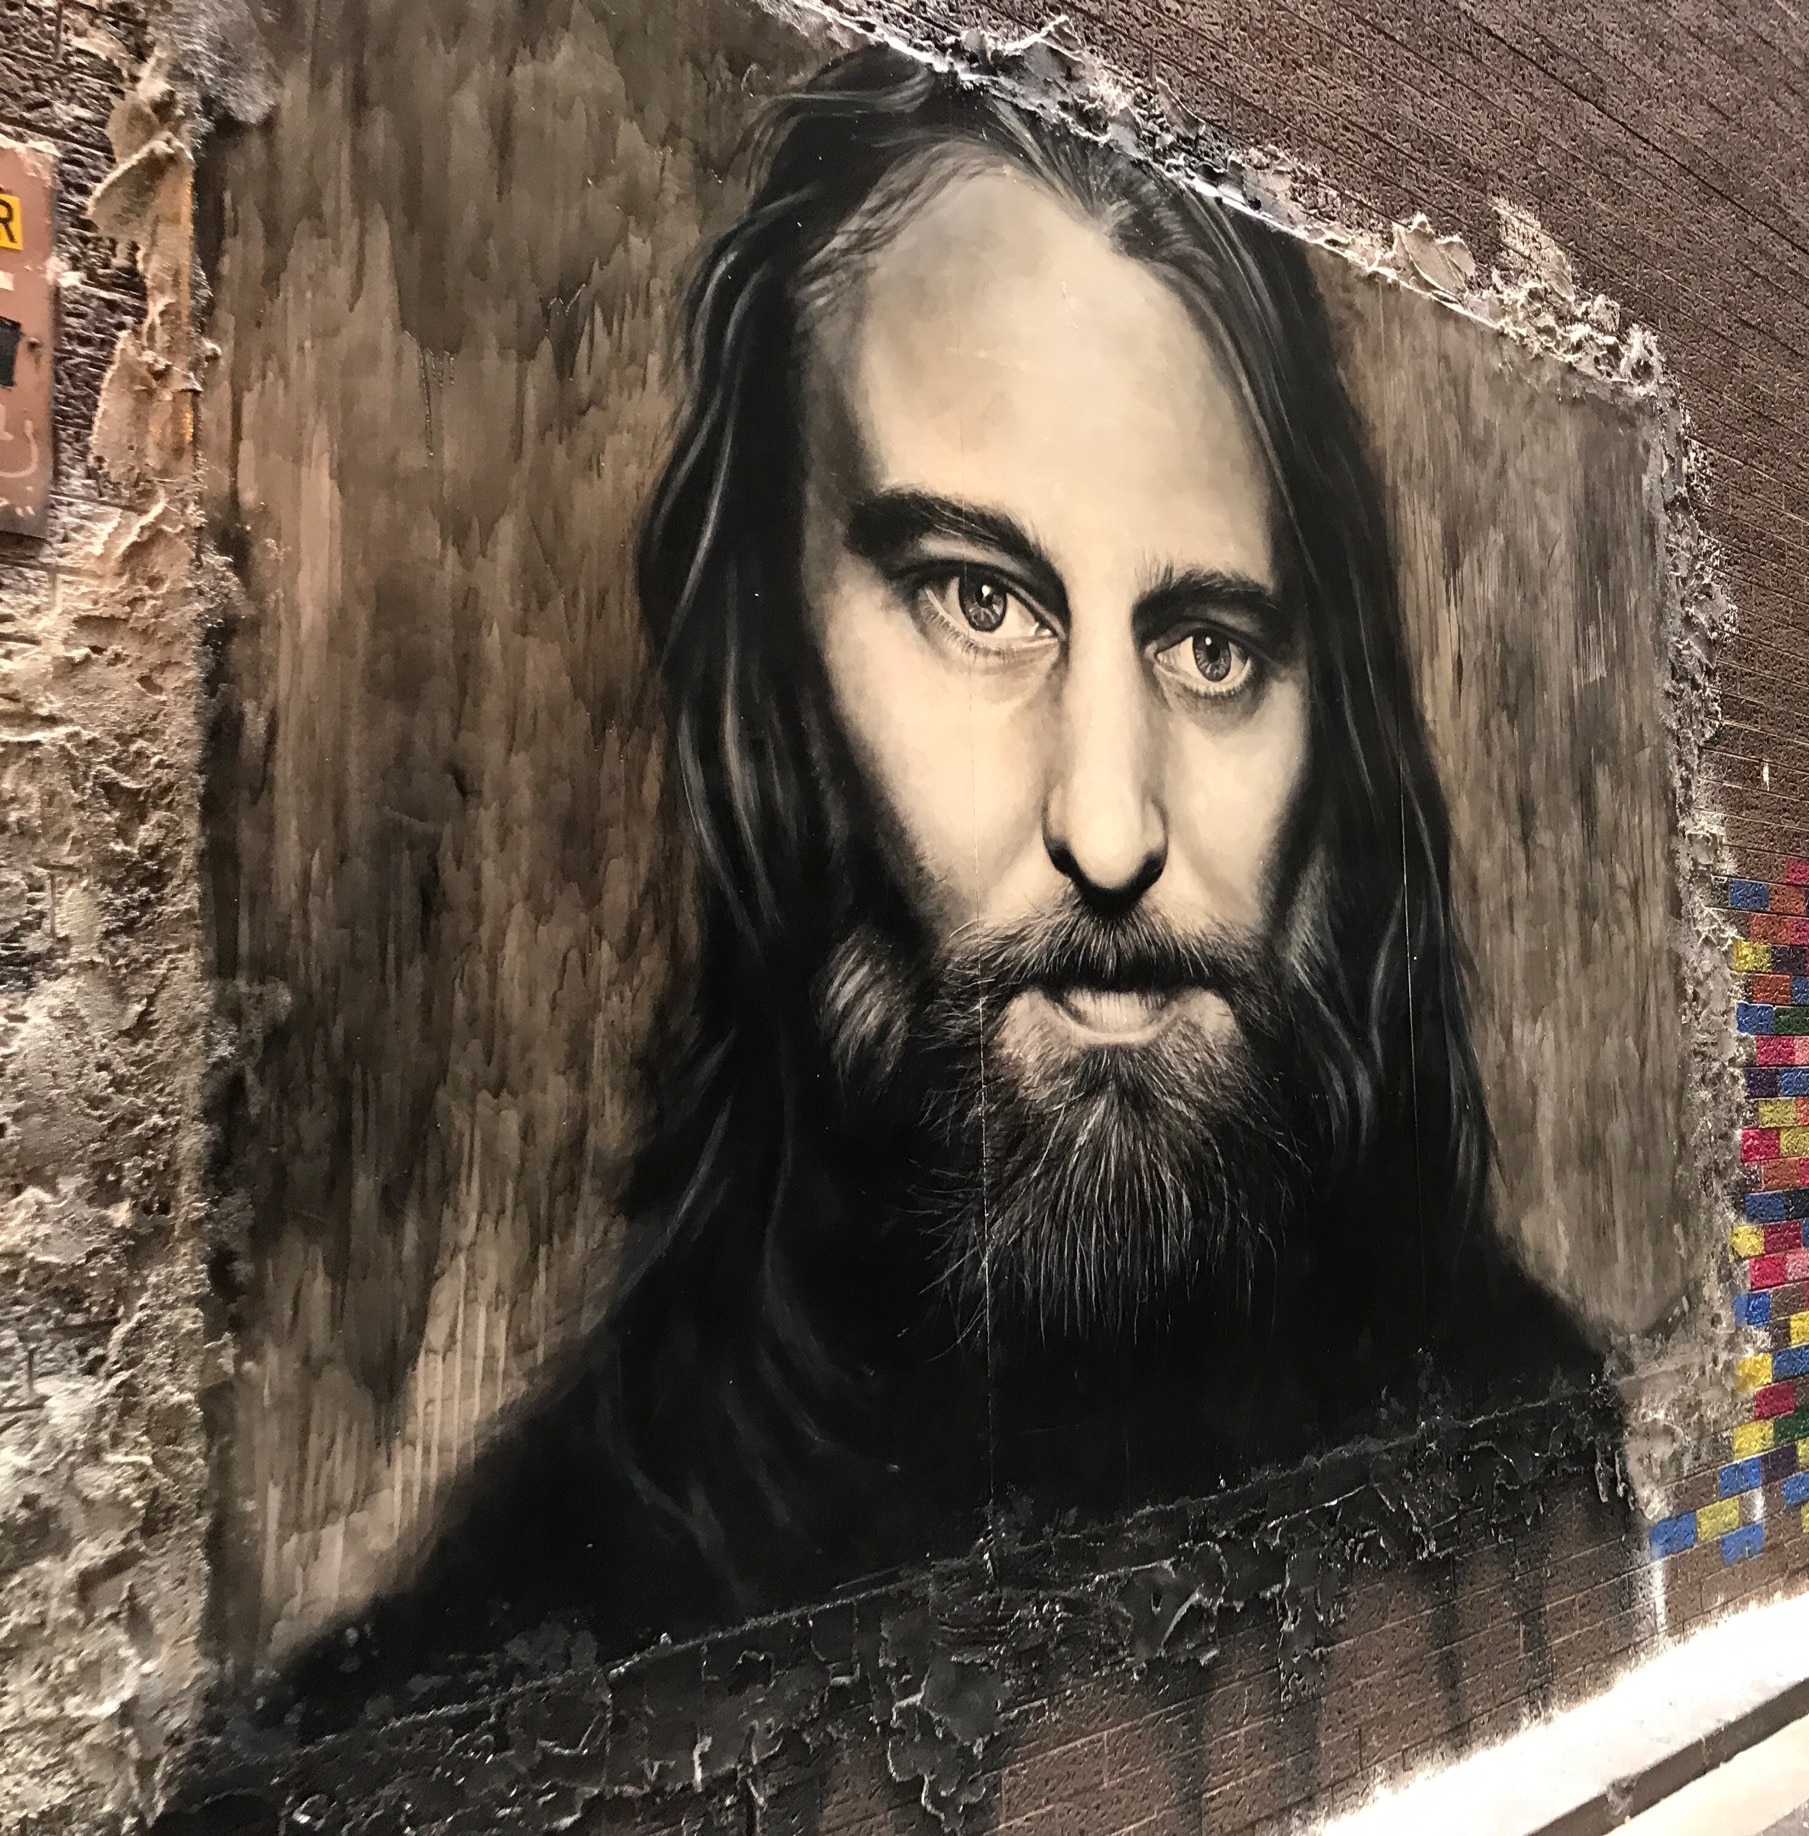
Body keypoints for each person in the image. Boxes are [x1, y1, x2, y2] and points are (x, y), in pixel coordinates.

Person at [280, 45, 1606, 1699]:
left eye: (1208, 644)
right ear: (775, 691)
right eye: (979, 602)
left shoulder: (1537, 1448)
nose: (1110, 828)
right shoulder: (508, 1674)